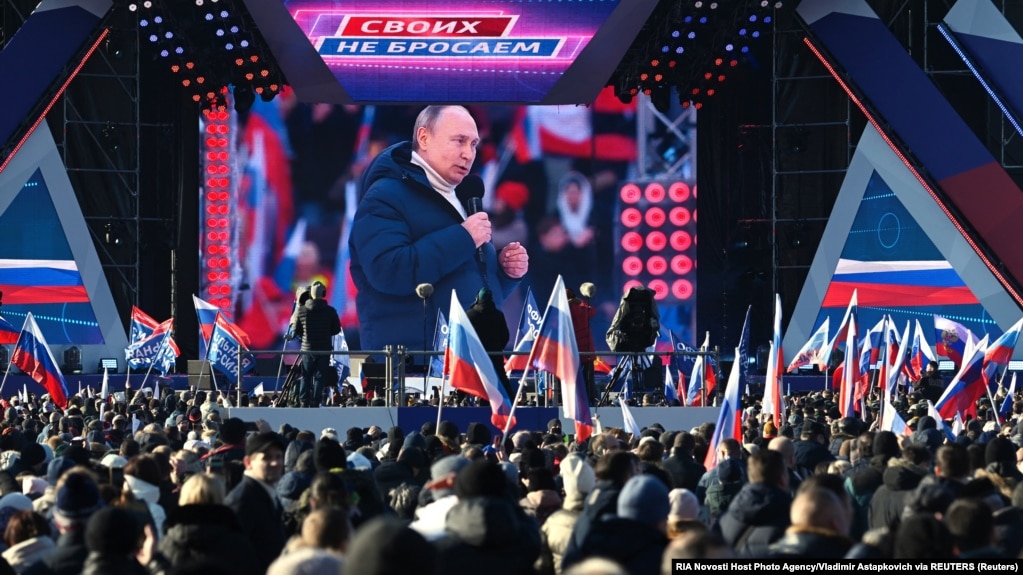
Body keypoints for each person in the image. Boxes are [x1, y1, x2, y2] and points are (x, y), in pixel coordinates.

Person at [349, 105, 528, 353]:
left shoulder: (462, 199)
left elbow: (465, 286)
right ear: (424, 138)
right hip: (413, 367)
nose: (468, 153)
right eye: (459, 141)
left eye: (474, 144)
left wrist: (504, 275)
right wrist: (464, 238)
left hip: (472, 359)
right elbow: (389, 271)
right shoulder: (384, 196)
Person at [224, 431, 288, 574]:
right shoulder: (242, 500)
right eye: (266, 458)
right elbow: (231, 556)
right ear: (248, 462)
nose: (275, 463)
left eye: (279, 457)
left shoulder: (265, 493)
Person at [293, 281, 341, 407]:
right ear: (323, 294)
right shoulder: (330, 311)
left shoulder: (302, 310)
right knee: (320, 377)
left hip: (307, 350)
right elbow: (336, 329)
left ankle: (304, 401)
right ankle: (316, 401)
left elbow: (297, 330)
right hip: (324, 350)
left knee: (306, 376)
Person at [465, 287, 513, 400]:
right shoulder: (498, 315)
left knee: (469, 377)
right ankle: (511, 402)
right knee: (501, 379)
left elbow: (465, 337)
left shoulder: (470, 315)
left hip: (476, 356)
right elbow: (505, 336)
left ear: (477, 299)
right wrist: (497, 348)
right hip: (495, 355)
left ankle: (457, 402)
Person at [567, 286, 597, 405]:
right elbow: (593, 311)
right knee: (588, 380)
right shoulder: (583, 309)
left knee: (572, 381)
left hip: (571, 352)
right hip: (586, 351)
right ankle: (589, 401)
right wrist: (580, 301)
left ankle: (573, 402)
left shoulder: (565, 310)